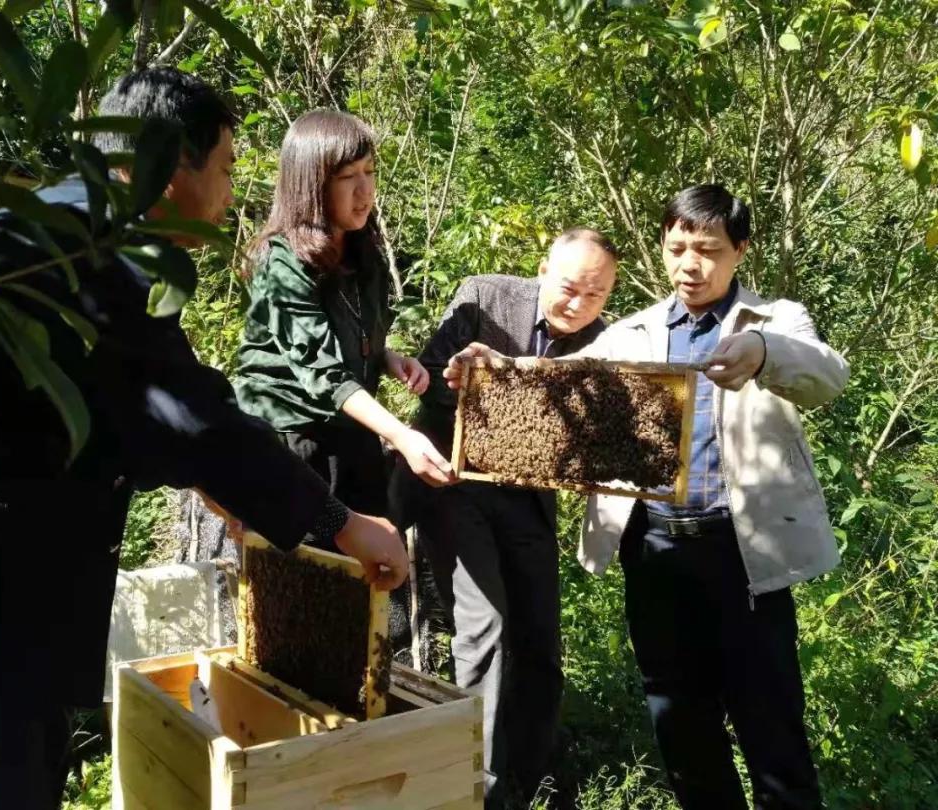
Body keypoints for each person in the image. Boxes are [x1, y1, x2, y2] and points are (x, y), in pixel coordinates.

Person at [0, 68, 407, 810]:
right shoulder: (94, 251)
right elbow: (185, 410)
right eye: (225, 168)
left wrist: (204, 473)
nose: (229, 194)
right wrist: (340, 522)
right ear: (170, 165)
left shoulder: (47, 222)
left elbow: (103, 410)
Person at [447, 185, 848, 810]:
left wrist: (764, 353)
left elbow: (828, 375)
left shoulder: (775, 319)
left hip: (743, 555)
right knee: (681, 726)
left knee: (770, 722)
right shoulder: (633, 333)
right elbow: (558, 385)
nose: (691, 264)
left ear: (740, 251)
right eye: (678, 248)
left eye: (708, 250)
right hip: (655, 553)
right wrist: (493, 368)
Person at [397, 228, 617, 808]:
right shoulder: (484, 296)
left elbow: (599, 431)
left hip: (528, 495)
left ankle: (531, 773)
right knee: (485, 627)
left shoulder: (606, 340)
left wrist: (513, 377)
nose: (579, 304)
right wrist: (469, 377)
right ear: (543, 271)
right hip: (453, 482)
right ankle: (477, 787)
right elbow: (428, 381)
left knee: (540, 636)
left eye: (595, 295)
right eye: (569, 287)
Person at [235, 109, 455, 543]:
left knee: (375, 564)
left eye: (370, 171)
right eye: (348, 177)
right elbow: (321, 371)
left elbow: (355, 333)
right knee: (306, 571)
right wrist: (402, 436)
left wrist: (387, 358)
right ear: (312, 184)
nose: (365, 190)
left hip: (353, 434)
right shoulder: (280, 262)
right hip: (293, 443)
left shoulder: (362, 252)